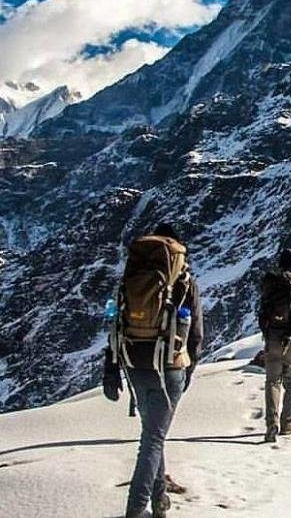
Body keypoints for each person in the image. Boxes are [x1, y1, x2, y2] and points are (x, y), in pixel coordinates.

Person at [105, 222, 203, 518]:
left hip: (134, 362)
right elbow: (196, 333)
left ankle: (160, 502)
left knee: (152, 433)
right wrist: (189, 369)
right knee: (152, 441)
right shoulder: (183, 280)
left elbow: (115, 324)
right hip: (169, 366)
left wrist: (111, 369)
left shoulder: (131, 276)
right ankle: (135, 510)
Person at [258, 248, 291, 443]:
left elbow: (262, 308)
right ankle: (286, 423)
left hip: (272, 338)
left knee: (272, 382)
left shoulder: (270, 282)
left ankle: (270, 426)